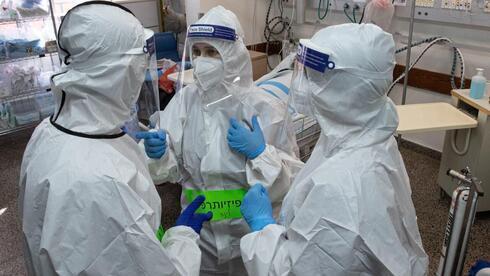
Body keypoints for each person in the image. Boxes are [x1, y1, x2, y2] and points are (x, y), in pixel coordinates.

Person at [18, 2, 211, 275]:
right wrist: (182, 238)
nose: (144, 70)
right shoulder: (99, 182)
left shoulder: (47, 133)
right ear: (118, 69)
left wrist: (145, 157)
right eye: (140, 60)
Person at [239, 23, 429, 275]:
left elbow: (295, 269)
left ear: (349, 88)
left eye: (313, 76)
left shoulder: (341, 189)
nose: (301, 85)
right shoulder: (365, 136)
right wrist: (265, 156)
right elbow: (314, 177)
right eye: (303, 72)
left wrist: (263, 230)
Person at [137, 5, 303, 275]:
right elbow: (171, 168)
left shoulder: (265, 110)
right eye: (198, 52)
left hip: (250, 236)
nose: (202, 61)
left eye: (213, 52)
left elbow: (293, 183)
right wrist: (158, 154)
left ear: (233, 56)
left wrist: (262, 154)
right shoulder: (184, 102)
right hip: (201, 236)